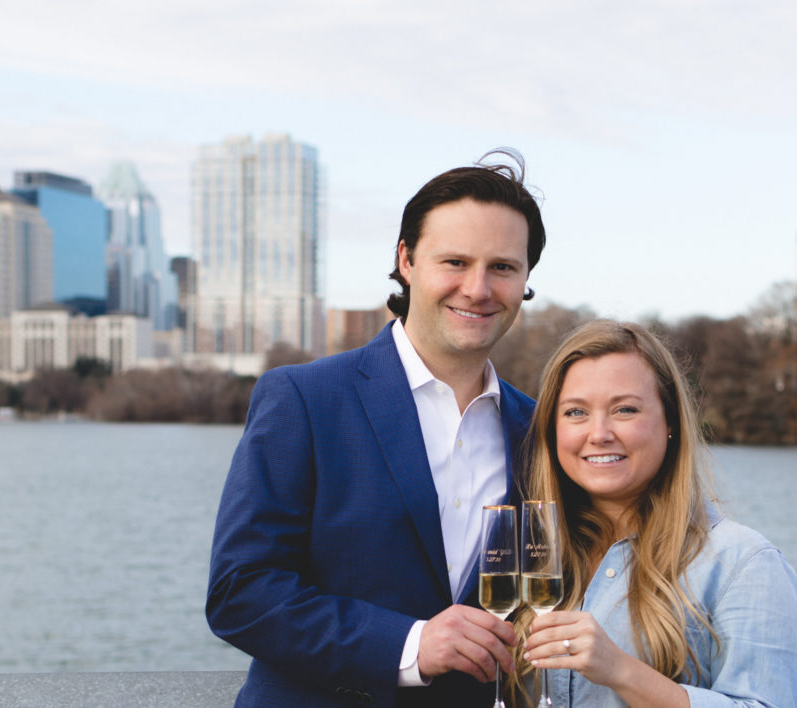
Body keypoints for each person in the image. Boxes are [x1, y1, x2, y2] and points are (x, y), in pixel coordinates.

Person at [207, 149, 547, 707]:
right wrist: (411, 645)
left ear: (525, 278)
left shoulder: (538, 430)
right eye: (455, 262)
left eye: (503, 267)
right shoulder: (303, 398)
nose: (479, 289)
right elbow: (240, 593)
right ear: (407, 260)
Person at [519, 320, 797, 707]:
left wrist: (621, 671)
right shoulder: (530, 555)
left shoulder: (744, 564)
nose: (599, 433)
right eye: (575, 412)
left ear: (670, 423)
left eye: (624, 409)